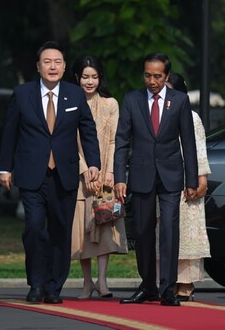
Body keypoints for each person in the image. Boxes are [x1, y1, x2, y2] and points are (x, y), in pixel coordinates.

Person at [0, 41, 100, 305]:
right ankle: (36, 283)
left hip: (64, 175)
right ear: (38, 67)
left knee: (60, 231)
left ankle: (54, 287)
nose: (52, 66)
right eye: (47, 62)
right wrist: (4, 167)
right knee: (34, 228)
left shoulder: (75, 95)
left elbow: (88, 131)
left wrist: (93, 163)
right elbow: (10, 133)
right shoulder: (22, 94)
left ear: (64, 66)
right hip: (32, 174)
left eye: (57, 62)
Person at [115, 52, 198, 307]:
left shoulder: (180, 100)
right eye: (148, 75)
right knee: (142, 232)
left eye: (157, 76)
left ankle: (168, 289)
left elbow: (188, 142)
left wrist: (191, 180)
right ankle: (148, 286)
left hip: (172, 175)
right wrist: (120, 177)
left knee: (170, 231)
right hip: (140, 175)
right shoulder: (132, 99)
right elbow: (122, 142)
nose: (152, 81)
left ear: (167, 76)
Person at [70, 55, 128, 299]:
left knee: (105, 224)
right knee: (82, 230)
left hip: (105, 175)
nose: (89, 81)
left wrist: (110, 173)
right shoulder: (69, 103)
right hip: (77, 174)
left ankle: (102, 280)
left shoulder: (110, 104)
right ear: (77, 78)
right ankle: (86, 282)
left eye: (94, 77)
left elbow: (115, 139)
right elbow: (68, 141)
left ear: (100, 78)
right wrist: (85, 170)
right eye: (85, 77)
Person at [163, 73, 211, 301]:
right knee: (165, 231)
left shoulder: (191, 117)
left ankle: (185, 282)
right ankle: (165, 281)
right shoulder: (157, 114)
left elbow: (199, 149)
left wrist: (200, 179)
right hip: (163, 180)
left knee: (186, 232)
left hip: (186, 180)